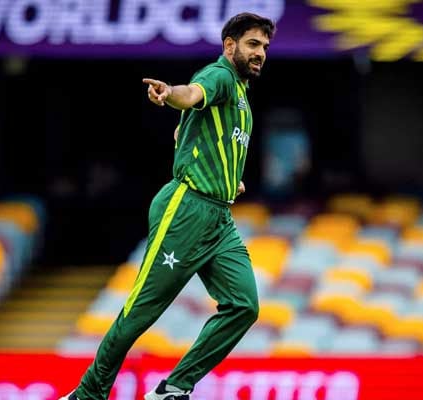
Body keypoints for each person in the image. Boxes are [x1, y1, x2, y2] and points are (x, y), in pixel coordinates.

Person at [60, 12, 276, 400]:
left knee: (244, 305)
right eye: (253, 44)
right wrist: (170, 94)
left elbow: (188, 132)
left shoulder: (241, 95)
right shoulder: (220, 75)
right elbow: (190, 94)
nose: (260, 53)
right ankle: (88, 393)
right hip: (186, 209)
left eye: (264, 47)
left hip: (218, 217)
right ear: (230, 46)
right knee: (143, 310)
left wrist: (229, 180)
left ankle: (174, 387)